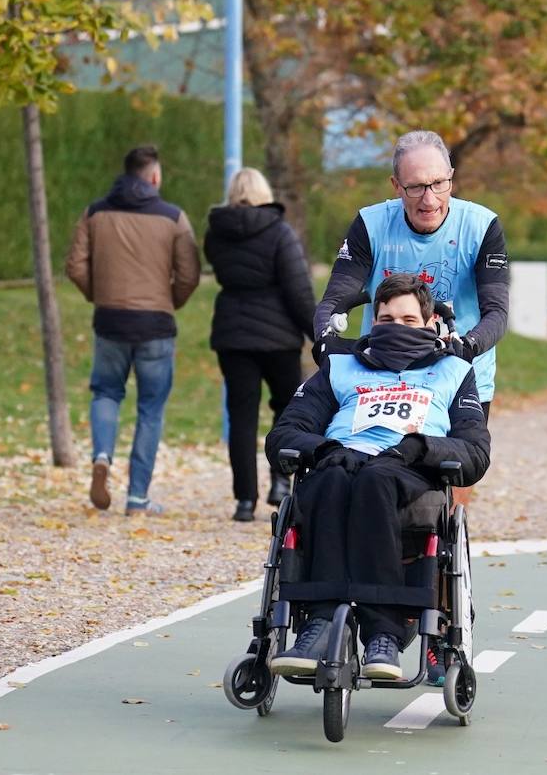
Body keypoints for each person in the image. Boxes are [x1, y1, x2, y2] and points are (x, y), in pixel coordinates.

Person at [266, 273, 490, 681]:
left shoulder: (454, 372)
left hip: (408, 468)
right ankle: (318, 625)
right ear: (372, 323)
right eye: (386, 320)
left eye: (408, 321)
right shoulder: (340, 367)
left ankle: (383, 633)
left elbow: (474, 450)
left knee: (376, 481)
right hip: (341, 460)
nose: (396, 328)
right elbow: (285, 432)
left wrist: (421, 448)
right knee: (333, 478)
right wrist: (325, 449)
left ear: (430, 325)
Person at [313, 130, 508, 504]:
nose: (429, 199)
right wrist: (326, 338)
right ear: (396, 186)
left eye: (439, 184)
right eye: (416, 187)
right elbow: (337, 296)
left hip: (455, 370)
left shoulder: (481, 226)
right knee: (366, 464)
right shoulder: (371, 225)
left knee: (452, 481)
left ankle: (440, 552)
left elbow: (496, 310)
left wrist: (467, 347)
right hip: (380, 370)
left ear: (451, 177)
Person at [65, 145, 200, 515]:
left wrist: (100, 294)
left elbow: (75, 265)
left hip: (109, 320)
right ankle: (138, 498)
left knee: (106, 392)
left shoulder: (95, 213)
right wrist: (168, 300)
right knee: (150, 410)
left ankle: (102, 455)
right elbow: (189, 273)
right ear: (154, 177)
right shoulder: (173, 218)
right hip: (156, 325)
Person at [204, 168, 316, 522]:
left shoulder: (216, 232)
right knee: (287, 411)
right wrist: (318, 335)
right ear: (263, 192)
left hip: (232, 334)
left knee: (241, 417)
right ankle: (281, 481)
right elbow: (298, 289)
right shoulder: (279, 232)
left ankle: (243, 500)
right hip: (278, 336)